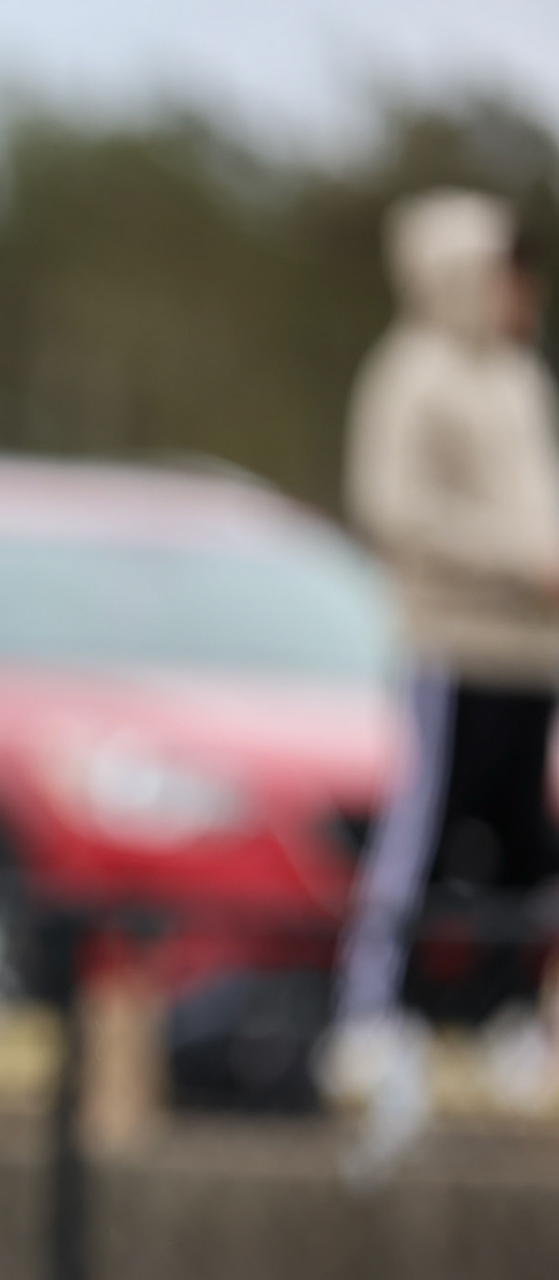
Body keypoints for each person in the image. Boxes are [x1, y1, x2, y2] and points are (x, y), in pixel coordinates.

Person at [330, 189, 559, 1155]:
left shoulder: (517, 380)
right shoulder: (411, 374)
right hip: (451, 644)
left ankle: (510, 1018)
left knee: (522, 842)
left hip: (530, 650)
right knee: (422, 833)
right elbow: (391, 506)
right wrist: (519, 558)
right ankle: (371, 1015)